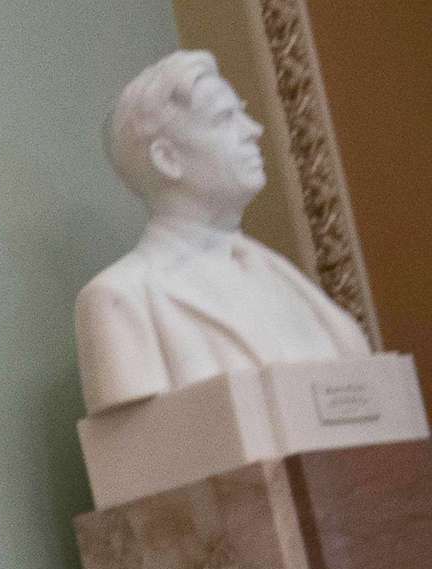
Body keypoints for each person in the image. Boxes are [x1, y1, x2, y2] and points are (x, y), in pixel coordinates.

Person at [77, 50, 370, 415]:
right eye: (225, 118)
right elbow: (147, 459)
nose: (253, 130)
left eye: (242, 112)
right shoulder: (120, 299)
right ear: (167, 158)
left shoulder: (287, 281)